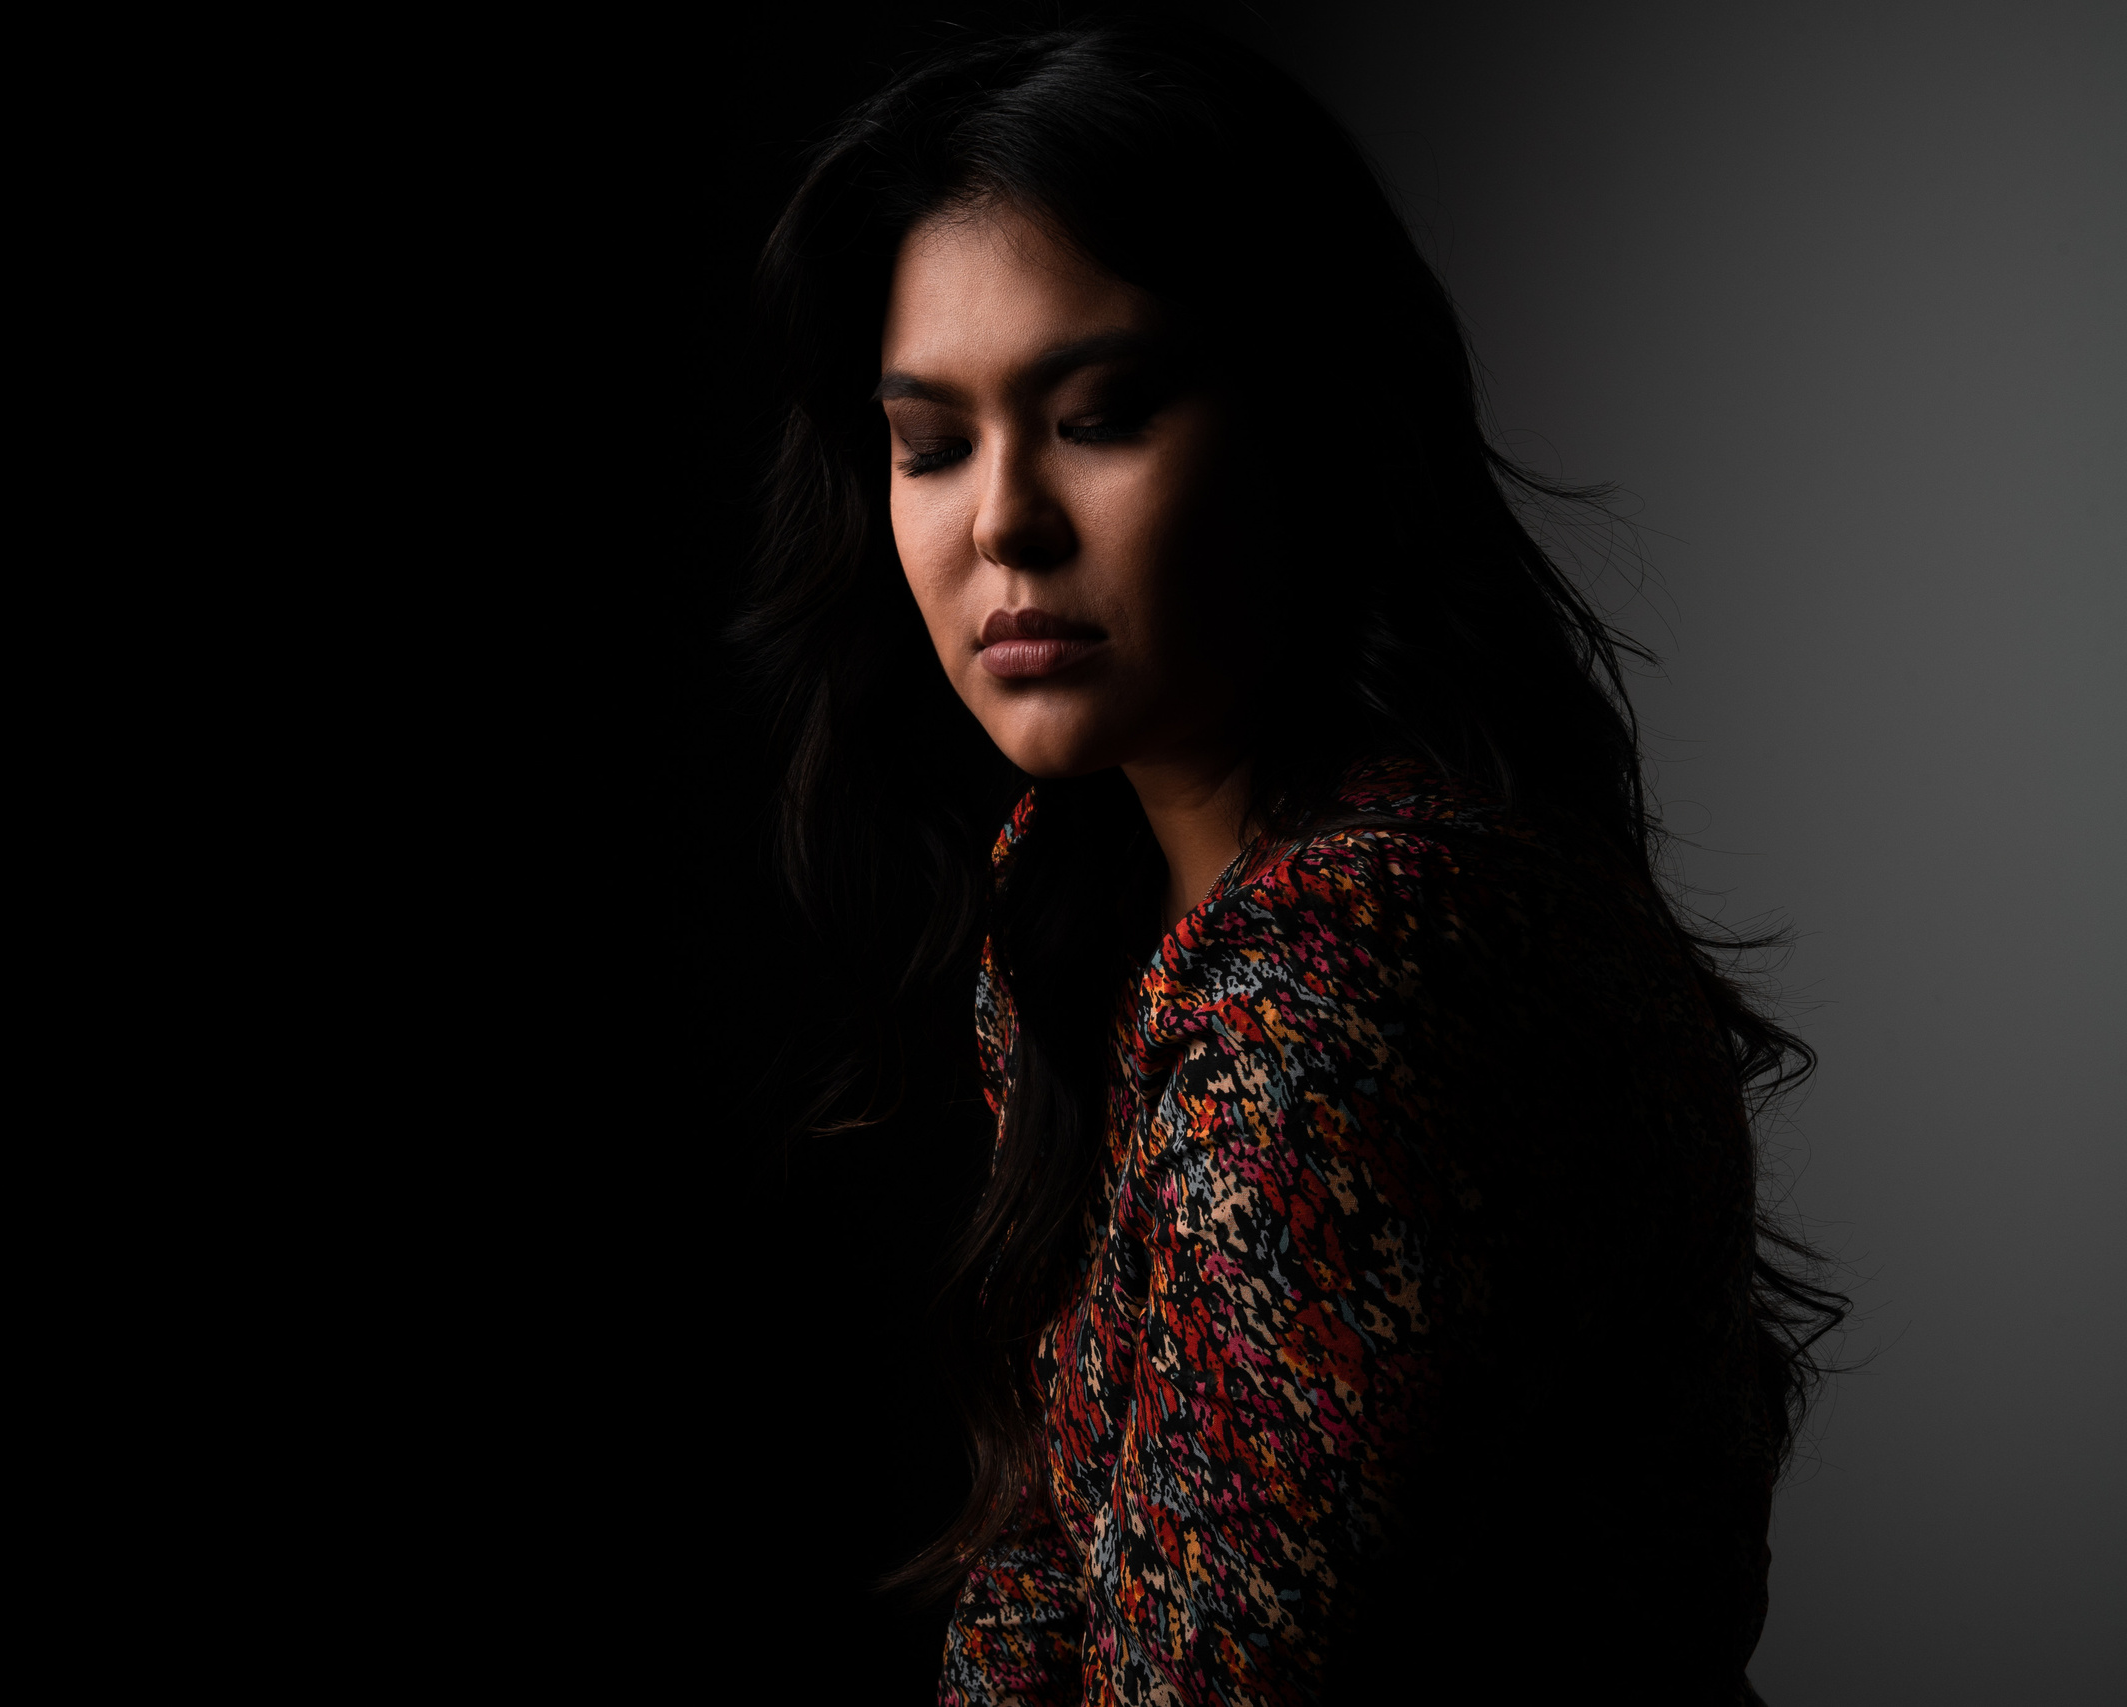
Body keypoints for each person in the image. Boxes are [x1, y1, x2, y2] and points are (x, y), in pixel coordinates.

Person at [736, 19, 1841, 1704]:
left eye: (1098, 415)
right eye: (930, 441)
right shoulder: (1082, 895)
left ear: (1309, 421)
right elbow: (1046, 1578)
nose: (999, 523)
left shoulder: (1363, 969)